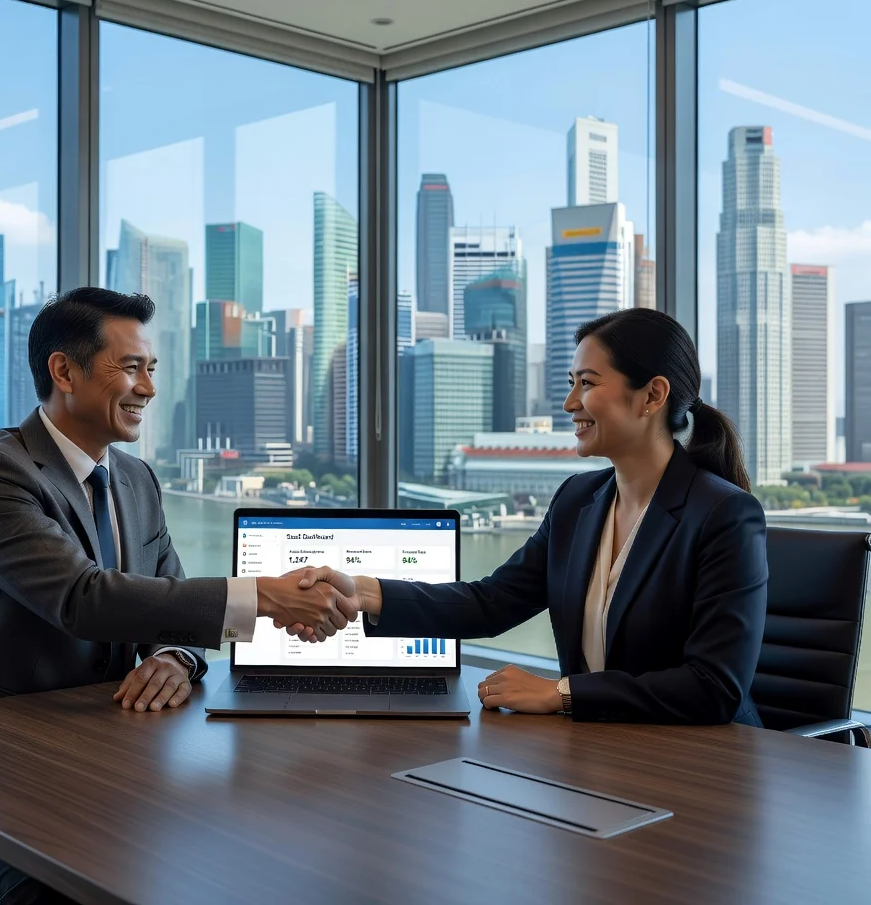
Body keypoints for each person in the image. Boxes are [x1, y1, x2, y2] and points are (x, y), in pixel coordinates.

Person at [0, 287, 356, 904]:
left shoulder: (135, 478)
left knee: (227, 855)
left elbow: (165, 597)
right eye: (129, 368)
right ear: (63, 371)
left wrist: (175, 658)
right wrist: (263, 598)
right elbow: (83, 597)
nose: (147, 389)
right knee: (77, 889)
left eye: (150, 369)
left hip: (100, 748)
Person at [288, 308, 769, 727]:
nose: (569, 404)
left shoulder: (724, 515)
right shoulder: (577, 500)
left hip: (707, 764)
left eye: (588, 383)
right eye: (570, 384)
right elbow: (490, 603)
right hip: (601, 748)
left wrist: (561, 693)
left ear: (652, 395)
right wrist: (364, 591)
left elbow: (714, 687)